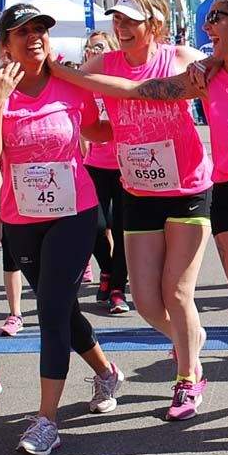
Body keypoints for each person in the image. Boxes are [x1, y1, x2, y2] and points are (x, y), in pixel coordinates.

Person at [0, 4, 124, 455]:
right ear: (5, 45)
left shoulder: (70, 84)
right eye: (23, 31)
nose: (35, 37)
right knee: (58, 308)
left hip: (73, 212)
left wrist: (133, 115)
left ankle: (46, 420)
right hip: (22, 220)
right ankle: (106, 372)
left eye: (40, 29)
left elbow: (99, 132)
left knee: (53, 312)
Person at [71, 0, 215, 421]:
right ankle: (190, 339)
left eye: (131, 21)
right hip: (138, 190)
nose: (122, 28)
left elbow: (218, 89)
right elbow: (94, 124)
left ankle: (187, 379)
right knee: (148, 302)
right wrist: (99, 127)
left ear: (153, 23)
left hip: (188, 187)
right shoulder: (102, 64)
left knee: (176, 291)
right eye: (118, 20)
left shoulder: (179, 57)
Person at [80, 30, 130, 314]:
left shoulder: (118, 81)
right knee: (94, 226)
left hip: (125, 165)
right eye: (88, 48)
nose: (91, 51)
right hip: (94, 165)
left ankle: (117, 288)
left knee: (123, 230)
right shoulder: (84, 84)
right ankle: (108, 269)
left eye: (98, 47)